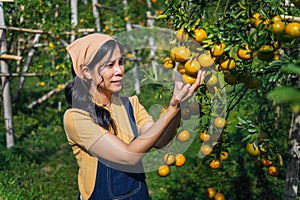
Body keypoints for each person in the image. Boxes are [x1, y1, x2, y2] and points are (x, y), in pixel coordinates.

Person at [63, 33, 205, 200]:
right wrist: (171, 109)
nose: (119, 71)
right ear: (87, 72)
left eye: (121, 62)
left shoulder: (130, 104)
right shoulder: (76, 117)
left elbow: (162, 142)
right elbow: (128, 157)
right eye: (110, 65)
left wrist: (179, 104)